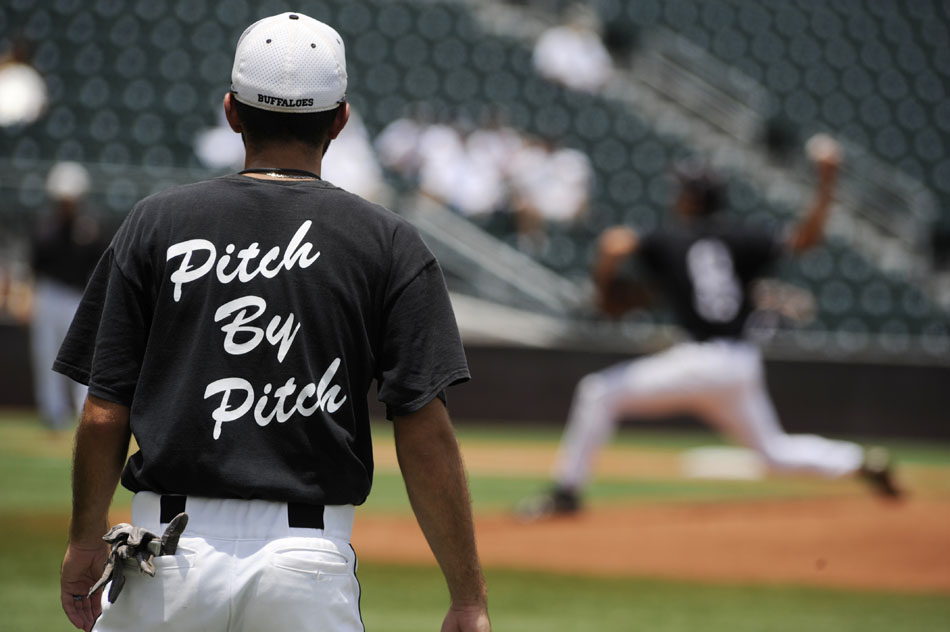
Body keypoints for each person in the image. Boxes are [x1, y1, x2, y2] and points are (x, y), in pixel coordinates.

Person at [56, 13, 490, 632]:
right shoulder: (390, 243)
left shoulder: (155, 223)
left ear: (231, 111)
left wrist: (82, 542)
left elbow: (104, 412)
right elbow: (424, 430)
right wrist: (467, 598)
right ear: (340, 120)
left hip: (164, 559)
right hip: (308, 564)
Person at [517, 135, 901, 520]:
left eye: (681, 189)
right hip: (739, 364)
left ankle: (566, 493)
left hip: (700, 360)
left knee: (597, 393)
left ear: (691, 198)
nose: (676, 195)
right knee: (773, 452)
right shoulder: (742, 236)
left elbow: (613, 244)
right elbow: (806, 239)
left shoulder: (669, 237)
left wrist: (604, 290)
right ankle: (860, 461)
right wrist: (827, 181)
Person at [29, 161, 105, 433]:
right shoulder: (46, 227)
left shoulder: (89, 229)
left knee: (81, 354)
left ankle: (83, 411)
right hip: (49, 293)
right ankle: (53, 413)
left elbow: (96, 264)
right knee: (46, 354)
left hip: (77, 296)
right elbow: (37, 263)